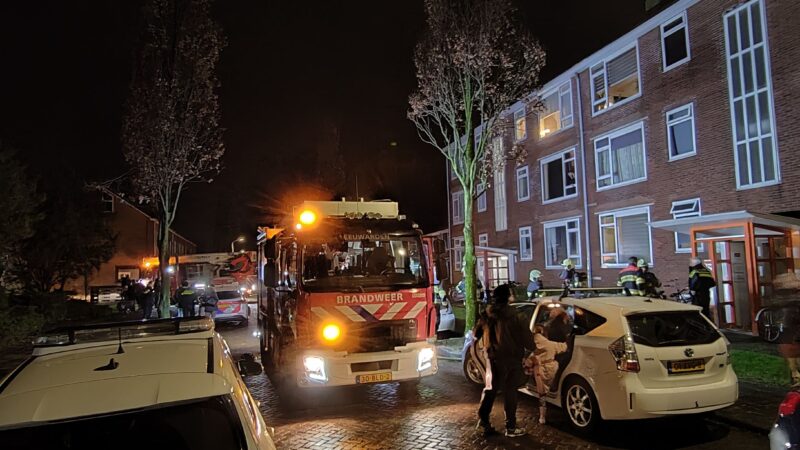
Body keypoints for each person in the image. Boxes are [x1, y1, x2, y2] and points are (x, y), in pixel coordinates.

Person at [474, 283, 534, 438]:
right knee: (511, 390)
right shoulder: (518, 316)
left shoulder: (487, 314)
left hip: (493, 358)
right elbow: (528, 341)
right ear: (508, 297)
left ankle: (483, 421)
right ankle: (511, 427)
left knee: (491, 389)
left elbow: (476, 334)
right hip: (512, 358)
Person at [526, 325, 569, 424]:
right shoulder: (551, 344)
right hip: (552, 368)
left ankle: (542, 417)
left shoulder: (532, 347)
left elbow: (528, 362)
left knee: (542, 394)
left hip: (539, 371)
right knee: (553, 386)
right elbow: (565, 347)